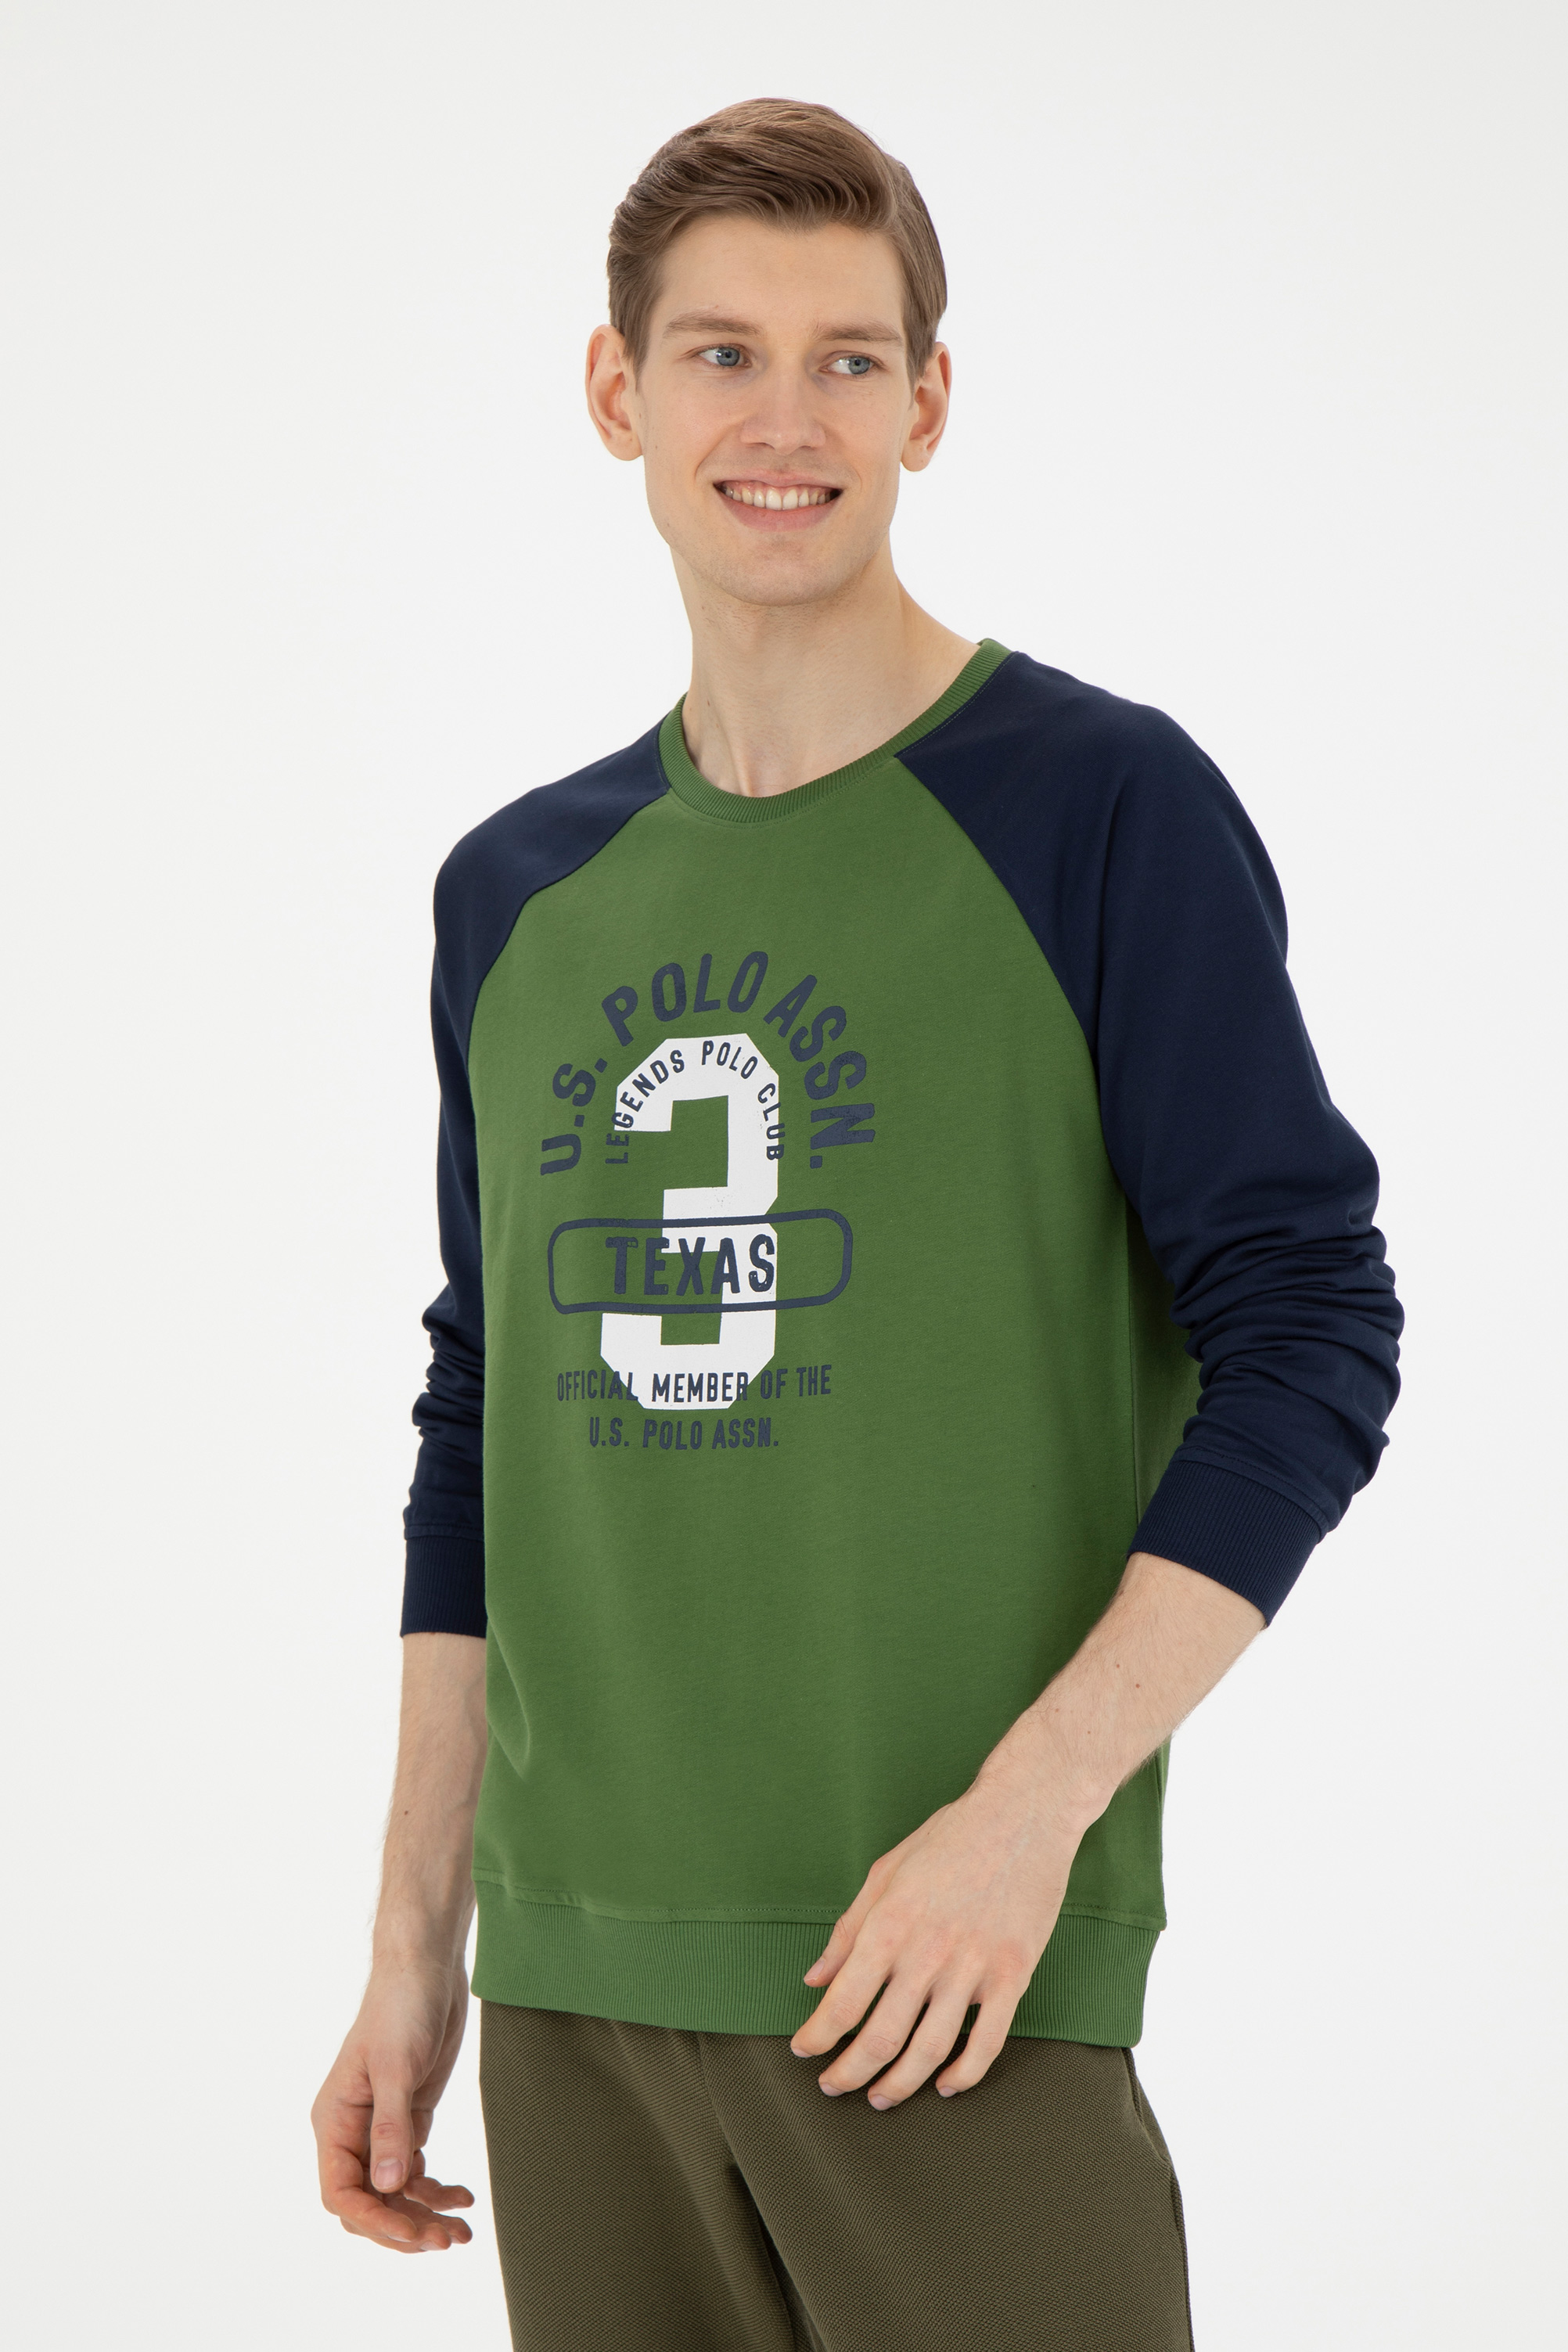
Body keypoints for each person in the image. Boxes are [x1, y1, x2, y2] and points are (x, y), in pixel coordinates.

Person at [311, 98, 1401, 2350]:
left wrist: (1030, 1818)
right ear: (616, 392)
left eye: (847, 358)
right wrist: (418, 1944)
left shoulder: (1096, 808)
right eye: (720, 353)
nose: (783, 420)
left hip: (950, 1975)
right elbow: (483, 1415)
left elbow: (1311, 1329)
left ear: (929, 399)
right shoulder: (515, 895)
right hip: (575, 2005)